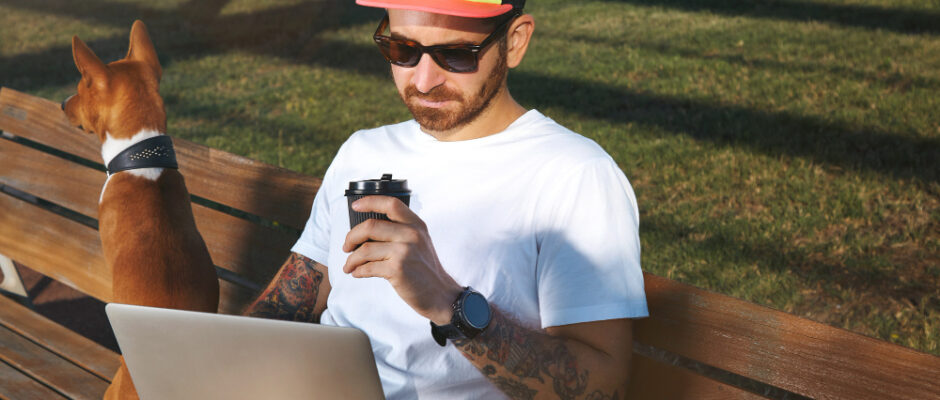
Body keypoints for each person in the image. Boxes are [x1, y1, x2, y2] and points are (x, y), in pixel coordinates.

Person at [243, 0, 648, 398]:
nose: (423, 81)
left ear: (516, 41)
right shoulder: (362, 151)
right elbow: (286, 304)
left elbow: (602, 385)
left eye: (455, 55)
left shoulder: (574, 174)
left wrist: (447, 303)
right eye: (402, 50)